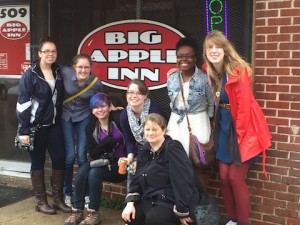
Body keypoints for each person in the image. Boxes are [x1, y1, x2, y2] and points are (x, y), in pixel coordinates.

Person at [202, 30, 272, 225]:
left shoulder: (236, 71)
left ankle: (242, 222)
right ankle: (232, 220)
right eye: (210, 47)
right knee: (223, 177)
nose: (214, 51)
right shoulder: (210, 71)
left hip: (244, 129)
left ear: (225, 49)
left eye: (218, 47)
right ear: (205, 51)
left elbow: (243, 109)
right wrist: (177, 71)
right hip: (224, 127)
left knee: (235, 178)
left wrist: (240, 137)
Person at [16, 37, 71, 214]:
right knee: (38, 161)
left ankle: (57, 199)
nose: (50, 54)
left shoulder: (59, 71)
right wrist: (24, 130)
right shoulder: (30, 74)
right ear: (39, 53)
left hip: (54, 124)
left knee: (60, 158)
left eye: (53, 51)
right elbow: (23, 104)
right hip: (36, 126)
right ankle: (40, 202)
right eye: (46, 51)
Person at [121, 113, 199, 225]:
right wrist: (130, 203)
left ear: (163, 130)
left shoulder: (173, 148)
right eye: (147, 129)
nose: (151, 133)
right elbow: (136, 178)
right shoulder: (144, 150)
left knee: (155, 219)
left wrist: (183, 210)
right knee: (130, 216)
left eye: (155, 129)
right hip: (148, 198)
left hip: (169, 200)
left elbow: (183, 179)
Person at [64, 93, 127, 225]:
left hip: (122, 166)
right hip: (105, 162)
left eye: (103, 105)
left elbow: (130, 114)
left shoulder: (119, 119)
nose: (100, 110)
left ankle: (93, 212)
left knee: (94, 173)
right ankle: (77, 210)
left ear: (109, 106)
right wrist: (106, 144)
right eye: (96, 107)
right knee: (82, 171)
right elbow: (93, 153)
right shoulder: (91, 128)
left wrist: (120, 108)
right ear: (92, 111)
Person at [60, 54, 103, 206]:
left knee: (82, 157)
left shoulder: (96, 83)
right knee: (70, 157)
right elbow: (48, 65)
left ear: (91, 68)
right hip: (66, 117)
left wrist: (112, 105)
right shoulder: (65, 72)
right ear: (74, 67)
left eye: (86, 67)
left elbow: (102, 99)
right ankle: (67, 193)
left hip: (83, 117)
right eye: (80, 67)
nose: (83, 70)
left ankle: (84, 194)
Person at [167, 37, 214, 155]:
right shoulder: (172, 78)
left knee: (197, 158)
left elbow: (211, 103)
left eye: (188, 56)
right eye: (180, 56)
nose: (184, 59)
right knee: (176, 158)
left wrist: (207, 120)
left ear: (195, 58)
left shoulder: (204, 79)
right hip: (175, 123)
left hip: (198, 122)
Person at [119, 79, 166, 190]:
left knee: (148, 171)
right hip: (140, 148)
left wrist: (141, 160)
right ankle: (132, 201)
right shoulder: (124, 115)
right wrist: (130, 157)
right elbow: (130, 141)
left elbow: (162, 138)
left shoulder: (154, 111)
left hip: (159, 149)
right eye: (130, 92)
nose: (134, 96)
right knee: (131, 169)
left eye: (138, 93)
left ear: (145, 95)